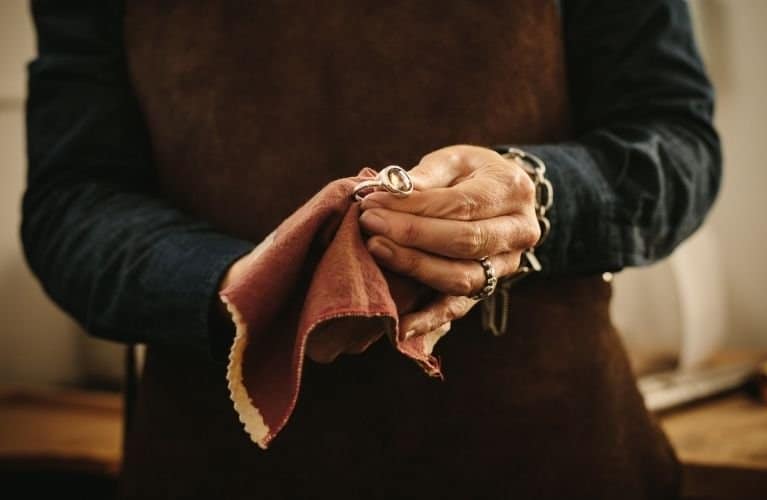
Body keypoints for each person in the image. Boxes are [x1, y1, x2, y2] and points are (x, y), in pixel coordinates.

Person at [23, 0, 720, 498]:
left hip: (550, 454)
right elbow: (72, 202)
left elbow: (677, 145)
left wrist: (536, 193)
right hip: (216, 465)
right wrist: (242, 291)